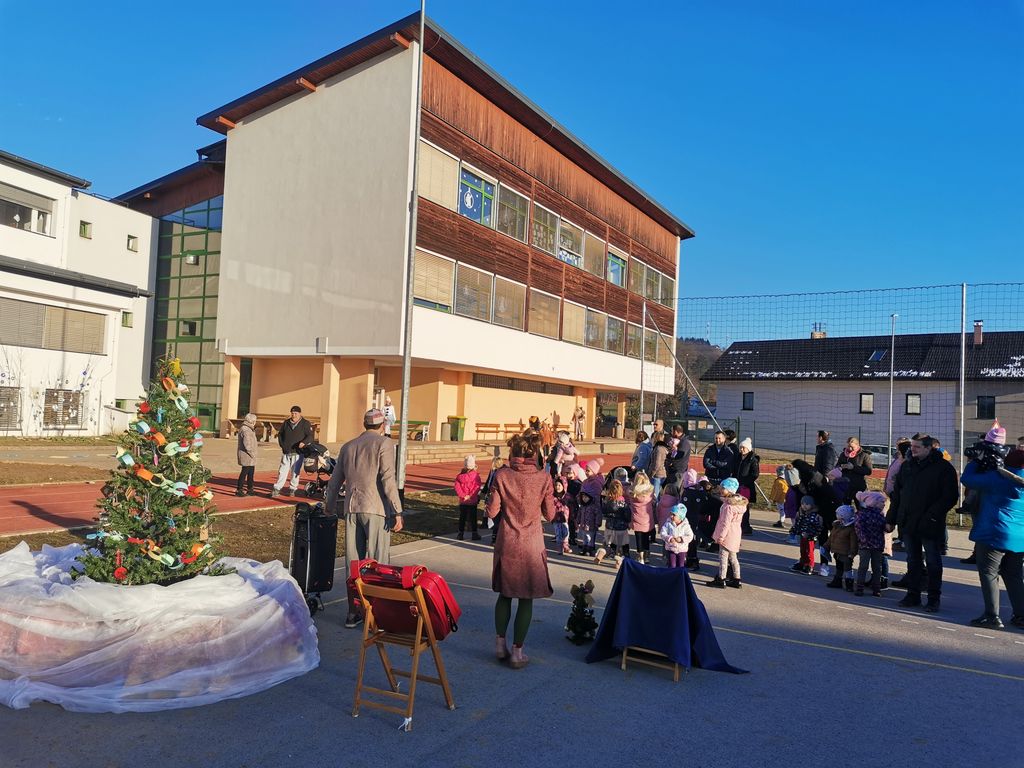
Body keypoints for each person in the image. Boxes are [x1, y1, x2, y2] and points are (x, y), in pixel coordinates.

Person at [326, 408, 404, 629]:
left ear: (364, 423)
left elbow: (334, 481)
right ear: (382, 425)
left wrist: (329, 507)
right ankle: (378, 614)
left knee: (354, 563)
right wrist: (397, 510)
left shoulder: (348, 446)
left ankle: (353, 612)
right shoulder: (384, 443)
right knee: (378, 562)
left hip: (352, 508)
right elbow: (388, 478)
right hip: (376, 508)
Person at [485, 431, 557, 669]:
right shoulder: (544, 478)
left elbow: (492, 512)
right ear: (535, 454)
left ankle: (499, 644)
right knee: (526, 599)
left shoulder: (502, 475)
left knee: (505, 595)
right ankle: (517, 652)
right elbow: (550, 514)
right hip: (531, 545)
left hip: (507, 541)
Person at [886, 434, 959, 613]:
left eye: (917, 447)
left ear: (928, 448)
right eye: (912, 446)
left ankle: (933, 599)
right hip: (908, 522)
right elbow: (897, 495)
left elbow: (950, 497)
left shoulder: (943, 468)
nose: (913, 449)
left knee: (933, 562)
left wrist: (932, 516)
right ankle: (913, 594)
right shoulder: (907, 466)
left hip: (930, 524)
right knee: (913, 560)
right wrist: (891, 519)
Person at [960, 447, 1024, 629]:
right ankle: (1021, 615)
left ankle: (992, 616)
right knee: (1014, 575)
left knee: (989, 573)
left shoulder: (998, 478)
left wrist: (977, 460)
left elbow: (967, 479)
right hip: (1020, 536)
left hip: (994, 532)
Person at [709, 478, 746, 588]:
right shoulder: (740, 504)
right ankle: (737, 579)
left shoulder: (728, 506)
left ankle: (721, 578)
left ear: (730, 490)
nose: (721, 490)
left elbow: (725, 523)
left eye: (723, 488)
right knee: (733, 558)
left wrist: (721, 537)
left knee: (723, 557)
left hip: (727, 534)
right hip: (735, 533)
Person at [272, 406, 314, 498]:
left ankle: (292, 489)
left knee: (295, 472)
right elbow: (280, 434)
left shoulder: (305, 423)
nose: (294, 415)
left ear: (300, 413)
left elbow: (310, 436)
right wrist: (282, 445)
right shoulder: (286, 423)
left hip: (298, 452)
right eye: (292, 413)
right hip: (286, 451)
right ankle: (277, 488)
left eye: (295, 413)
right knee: (282, 471)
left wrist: (304, 442)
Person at [853, 491, 888, 597]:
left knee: (876, 567)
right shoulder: (863, 514)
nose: (884, 504)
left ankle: (876, 588)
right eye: (882, 502)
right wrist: (863, 539)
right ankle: (860, 587)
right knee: (864, 566)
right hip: (867, 545)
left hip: (876, 545)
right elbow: (859, 528)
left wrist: (889, 527)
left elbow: (885, 528)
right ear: (874, 502)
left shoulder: (881, 515)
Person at [595, 479, 630, 566]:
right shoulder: (623, 502)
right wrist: (628, 521)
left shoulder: (607, 501)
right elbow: (627, 513)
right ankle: (624, 556)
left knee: (610, 542)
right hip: (621, 526)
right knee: (623, 543)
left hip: (610, 526)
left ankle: (607, 554)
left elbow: (603, 511)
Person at [825, 505, 859, 591]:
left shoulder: (851, 528)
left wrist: (852, 552)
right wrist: (827, 545)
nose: (837, 516)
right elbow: (831, 537)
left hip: (846, 553)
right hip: (837, 551)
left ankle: (849, 583)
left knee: (848, 568)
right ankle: (837, 580)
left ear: (844, 516)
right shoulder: (837, 525)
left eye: (838, 514)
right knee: (839, 567)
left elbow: (854, 542)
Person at [577, 460, 605, 556]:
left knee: (591, 533)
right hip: (584, 508)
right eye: (586, 470)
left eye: (588, 470)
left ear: (594, 471)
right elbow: (581, 493)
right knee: (584, 532)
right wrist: (580, 498)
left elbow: (597, 500)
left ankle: (590, 547)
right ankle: (585, 546)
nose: (586, 472)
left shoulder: (596, 483)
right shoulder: (585, 482)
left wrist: (598, 521)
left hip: (592, 510)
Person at [628, 474, 656, 564]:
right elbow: (654, 500)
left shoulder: (632, 492)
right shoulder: (650, 491)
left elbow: (628, 495)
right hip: (647, 519)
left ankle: (641, 557)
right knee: (646, 538)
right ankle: (646, 556)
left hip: (636, 518)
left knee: (638, 539)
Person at [791, 495, 822, 574]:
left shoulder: (814, 515)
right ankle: (802, 562)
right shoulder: (802, 513)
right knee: (803, 550)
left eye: (807, 504)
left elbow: (818, 527)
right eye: (802, 504)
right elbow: (798, 523)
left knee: (809, 551)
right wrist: (794, 530)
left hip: (810, 537)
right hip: (803, 535)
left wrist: (811, 534)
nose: (804, 506)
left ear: (812, 505)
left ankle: (809, 565)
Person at [454, 455, 482, 541]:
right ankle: (474, 533)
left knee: (462, 517)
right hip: (472, 500)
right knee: (473, 517)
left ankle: (460, 534)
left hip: (463, 501)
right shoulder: (476, 476)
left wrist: (463, 496)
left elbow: (457, 488)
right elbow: (477, 487)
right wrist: (470, 496)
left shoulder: (459, 476)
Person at [735, 438, 760, 534]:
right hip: (736, 485)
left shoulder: (752, 460)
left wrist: (744, 482)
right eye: (740, 447)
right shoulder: (738, 458)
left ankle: (745, 526)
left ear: (748, 449)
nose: (741, 449)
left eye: (743, 448)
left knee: (744, 507)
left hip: (746, 487)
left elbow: (755, 474)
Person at [660, 503, 694, 569]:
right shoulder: (668, 523)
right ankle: (671, 574)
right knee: (672, 565)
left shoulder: (686, 525)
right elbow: (662, 533)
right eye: (670, 514)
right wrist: (669, 538)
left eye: (674, 515)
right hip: (671, 548)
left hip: (682, 549)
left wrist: (681, 539)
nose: (671, 516)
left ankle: (680, 574)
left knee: (681, 565)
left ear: (680, 516)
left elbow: (690, 536)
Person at [481, 456, 506, 543]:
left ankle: (496, 537)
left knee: (498, 517)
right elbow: (488, 481)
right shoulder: (493, 471)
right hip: (491, 495)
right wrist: (484, 492)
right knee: (493, 515)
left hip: (499, 497)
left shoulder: (503, 472)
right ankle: (493, 534)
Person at [235, 412, 258, 497]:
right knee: (244, 472)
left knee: (251, 473)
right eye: (255, 420)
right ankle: (239, 489)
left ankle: (250, 489)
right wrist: (252, 453)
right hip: (247, 455)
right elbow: (247, 444)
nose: (255, 422)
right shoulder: (246, 429)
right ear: (252, 421)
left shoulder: (249, 428)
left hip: (250, 456)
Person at [552, 477, 574, 555]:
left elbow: (572, 506)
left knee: (566, 533)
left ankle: (565, 546)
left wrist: (572, 516)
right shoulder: (553, 497)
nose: (557, 487)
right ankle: (560, 548)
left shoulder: (568, 496)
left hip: (565, 519)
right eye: (556, 485)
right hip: (556, 519)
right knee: (558, 534)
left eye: (559, 485)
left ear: (564, 486)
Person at [648, 431, 670, 498]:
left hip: (657, 475)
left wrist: (651, 474)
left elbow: (657, 464)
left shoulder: (658, 448)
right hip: (661, 474)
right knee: (658, 495)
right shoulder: (662, 448)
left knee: (655, 496)